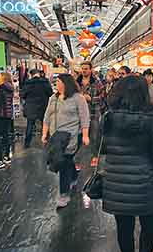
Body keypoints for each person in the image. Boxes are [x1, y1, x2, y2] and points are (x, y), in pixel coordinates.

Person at [102, 76, 153, 252]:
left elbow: (100, 148)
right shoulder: (152, 120)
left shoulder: (108, 118)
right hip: (147, 185)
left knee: (124, 229)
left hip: (117, 184)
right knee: (149, 227)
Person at [42, 74, 90, 208]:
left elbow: (84, 118)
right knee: (67, 161)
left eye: (58, 82)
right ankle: (73, 176)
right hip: (56, 137)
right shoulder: (53, 98)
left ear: (66, 83)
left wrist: (85, 135)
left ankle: (64, 194)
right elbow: (47, 116)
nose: (56, 84)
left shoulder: (78, 98)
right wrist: (44, 133)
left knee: (64, 162)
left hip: (72, 136)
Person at [76, 61, 104, 165]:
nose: (84, 70)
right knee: (78, 136)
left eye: (86, 68)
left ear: (90, 69)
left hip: (93, 113)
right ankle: (77, 159)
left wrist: (91, 98)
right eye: (82, 68)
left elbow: (103, 95)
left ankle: (94, 157)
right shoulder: (76, 82)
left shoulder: (97, 82)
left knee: (94, 136)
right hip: (79, 114)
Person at [21, 69, 53, 148]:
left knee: (30, 125)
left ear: (31, 75)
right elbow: (50, 93)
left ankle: (27, 144)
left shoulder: (28, 83)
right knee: (45, 124)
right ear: (39, 74)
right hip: (43, 106)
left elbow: (23, 95)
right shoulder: (45, 82)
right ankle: (47, 141)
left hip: (31, 107)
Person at [0, 72, 14, 170]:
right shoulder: (11, 88)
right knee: (6, 135)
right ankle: (7, 156)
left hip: (0, 115)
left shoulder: (0, 88)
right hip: (8, 115)